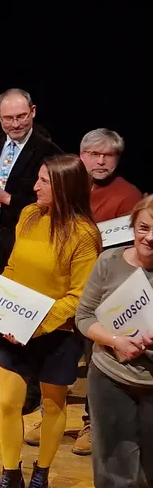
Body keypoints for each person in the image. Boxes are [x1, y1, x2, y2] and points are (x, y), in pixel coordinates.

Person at [0, 154, 101, 488]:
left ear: (63, 187)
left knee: (52, 406)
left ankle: (40, 476)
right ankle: (9, 477)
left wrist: (33, 327)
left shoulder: (84, 234)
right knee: (9, 405)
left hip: (56, 335)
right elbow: (13, 267)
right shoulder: (29, 215)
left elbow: (78, 297)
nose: (35, 186)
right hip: (15, 330)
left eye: (44, 181)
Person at [0, 89, 62, 401]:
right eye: (8, 118)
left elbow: (47, 201)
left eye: (21, 116)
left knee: (22, 318)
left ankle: (29, 390)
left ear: (32, 112)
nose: (15, 123)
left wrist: (4, 198)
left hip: (25, 244)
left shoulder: (48, 151)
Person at [74, 196, 153, 488]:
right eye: (144, 227)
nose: (149, 237)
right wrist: (115, 341)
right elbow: (84, 317)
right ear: (133, 225)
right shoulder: (109, 261)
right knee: (111, 476)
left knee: (149, 476)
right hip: (109, 381)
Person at [72, 127, 143, 456]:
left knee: (94, 361)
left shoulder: (129, 196)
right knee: (57, 359)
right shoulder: (69, 183)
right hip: (64, 286)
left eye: (109, 155)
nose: (101, 161)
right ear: (82, 155)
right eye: (94, 154)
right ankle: (50, 413)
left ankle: (91, 422)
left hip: (99, 294)